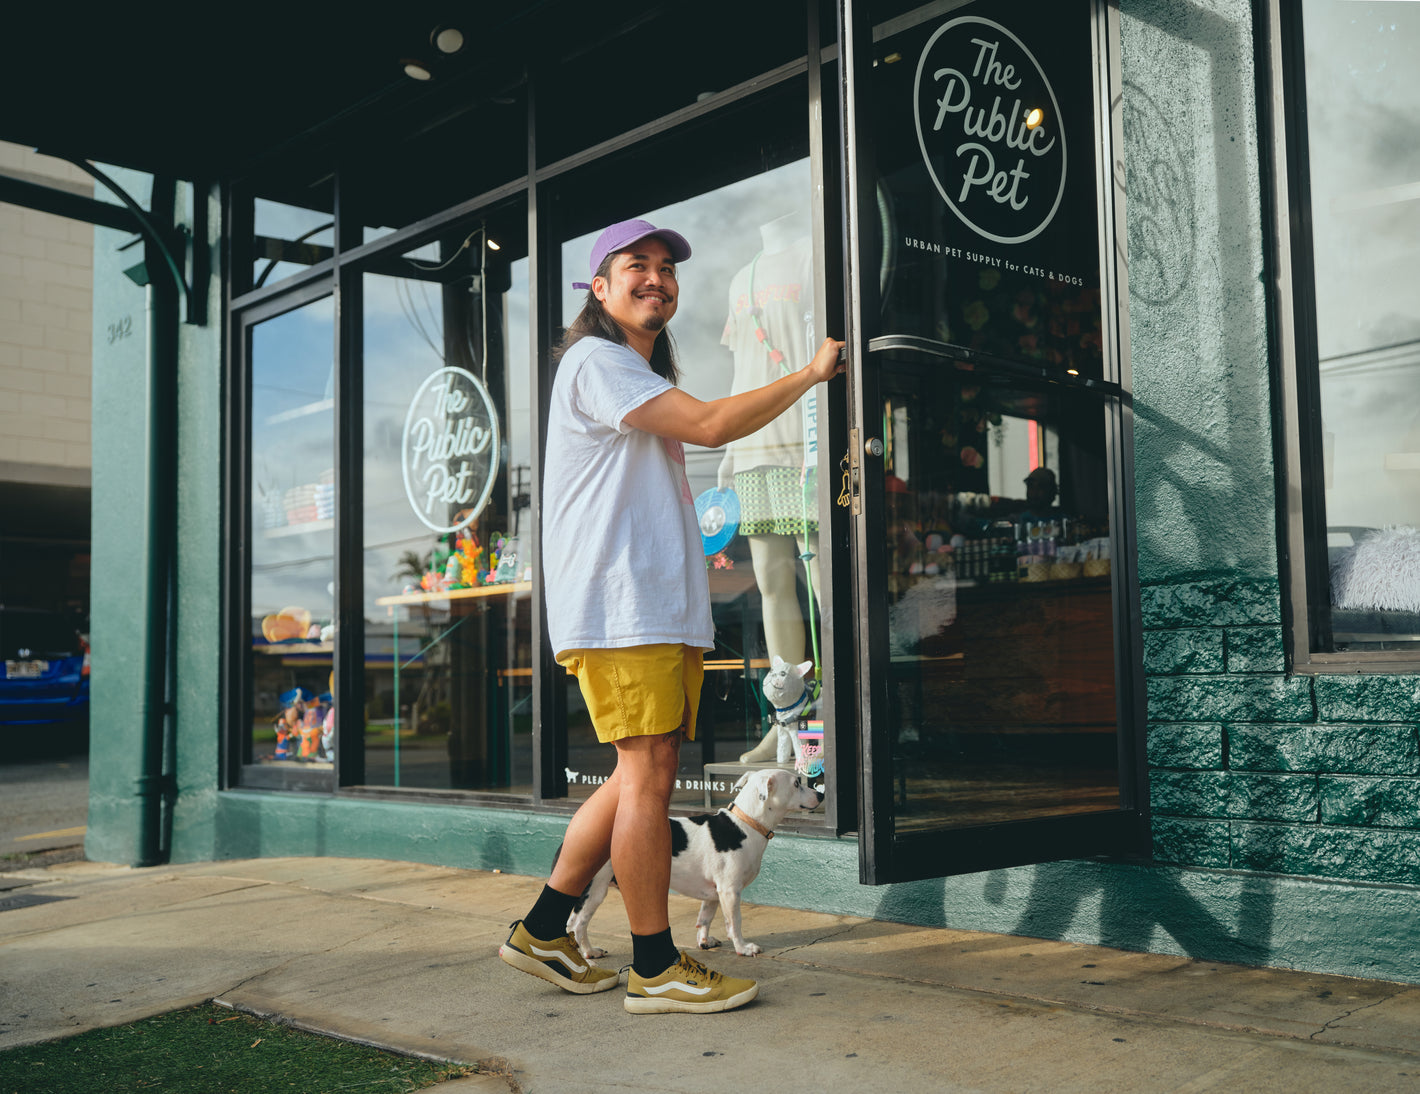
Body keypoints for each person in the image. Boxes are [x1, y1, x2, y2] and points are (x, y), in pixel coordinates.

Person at [498, 218, 845, 1014]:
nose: (656, 279)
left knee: (632, 779)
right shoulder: (597, 360)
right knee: (650, 780)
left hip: (645, 609)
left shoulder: (628, 372)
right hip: (624, 611)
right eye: (636, 266)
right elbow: (714, 426)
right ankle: (655, 965)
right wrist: (812, 373)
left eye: (666, 268)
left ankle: (546, 929)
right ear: (599, 286)